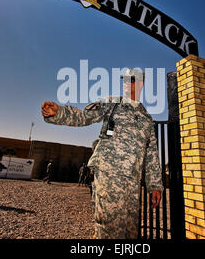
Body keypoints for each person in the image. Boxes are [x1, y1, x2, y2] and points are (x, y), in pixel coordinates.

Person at [41, 68, 163, 239]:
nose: (128, 82)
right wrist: (59, 112)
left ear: (142, 83)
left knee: (130, 232)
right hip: (109, 175)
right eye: (125, 79)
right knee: (108, 229)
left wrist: (155, 185)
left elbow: (151, 154)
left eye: (133, 79)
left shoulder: (146, 119)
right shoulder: (111, 103)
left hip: (132, 181)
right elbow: (84, 116)